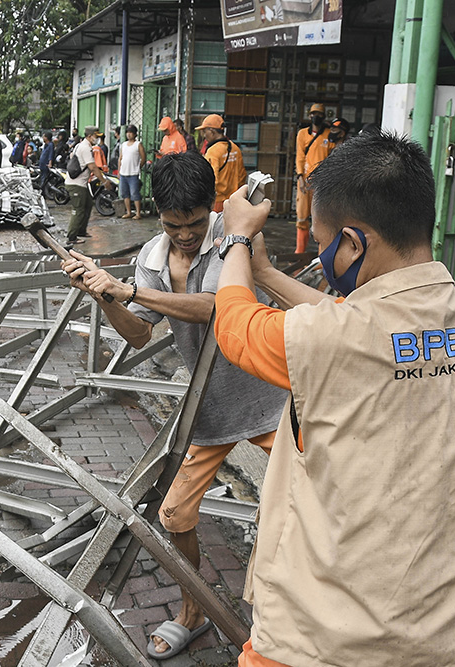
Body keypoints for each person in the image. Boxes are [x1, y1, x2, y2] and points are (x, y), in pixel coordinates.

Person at [212, 131, 455, 667]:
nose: (319, 250)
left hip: (328, 645)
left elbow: (235, 323)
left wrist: (238, 241)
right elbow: (364, 333)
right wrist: (267, 272)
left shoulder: (335, 340)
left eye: (321, 239)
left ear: (353, 244)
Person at [61, 150, 286, 660]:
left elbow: (220, 308)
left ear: (211, 208)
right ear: (157, 214)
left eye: (194, 223)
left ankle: (286, 622)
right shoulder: (152, 260)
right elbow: (140, 334)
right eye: (172, 225)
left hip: (272, 400)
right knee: (175, 517)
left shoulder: (236, 242)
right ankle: (193, 609)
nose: (185, 235)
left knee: (298, 509)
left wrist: (128, 287)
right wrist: (105, 296)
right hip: (209, 408)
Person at [64, 126, 114, 245]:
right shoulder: (85, 148)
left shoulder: (80, 146)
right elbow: (93, 167)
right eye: (96, 136)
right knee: (78, 209)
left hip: (81, 183)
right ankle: (72, 236)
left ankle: (81, 231)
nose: (97, 139)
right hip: (76, 184)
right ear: (89, 136)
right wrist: (104, 181)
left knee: (88, 204)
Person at [294, 103, 334, 253]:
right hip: (305, 181)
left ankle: (321, 256)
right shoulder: (302, 134)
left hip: (322, 183)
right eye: (313, 113)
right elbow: (300, 156)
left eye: (319, 114)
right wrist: (299, 176)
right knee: (302, 218)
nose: (315, 116)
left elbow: (333, 157)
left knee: (322, 219)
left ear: (323, 117)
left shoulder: (329, 135)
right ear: (309, 115)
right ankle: (299, 252)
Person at [197, 114, 246, 212]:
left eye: (205, 131)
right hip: (234, 201)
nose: (204, 135)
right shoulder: (235, 149)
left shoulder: (213, 152)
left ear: (212, 130)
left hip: (217, 203)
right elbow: (242, 176)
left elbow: (210, 179)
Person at [117, 124, 147, 219]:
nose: (129, 135)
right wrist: (119, 170)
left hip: (133, 173)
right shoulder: (124, 145)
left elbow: (143, 158)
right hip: (123, 173)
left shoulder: (138, 145)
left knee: (135, 193)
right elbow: (120, 158)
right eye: (128, 132)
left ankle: (138, 213)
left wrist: (138, 167)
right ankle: (128, 212)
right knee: (125, 193)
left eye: (131, 133)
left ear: (135, 134)